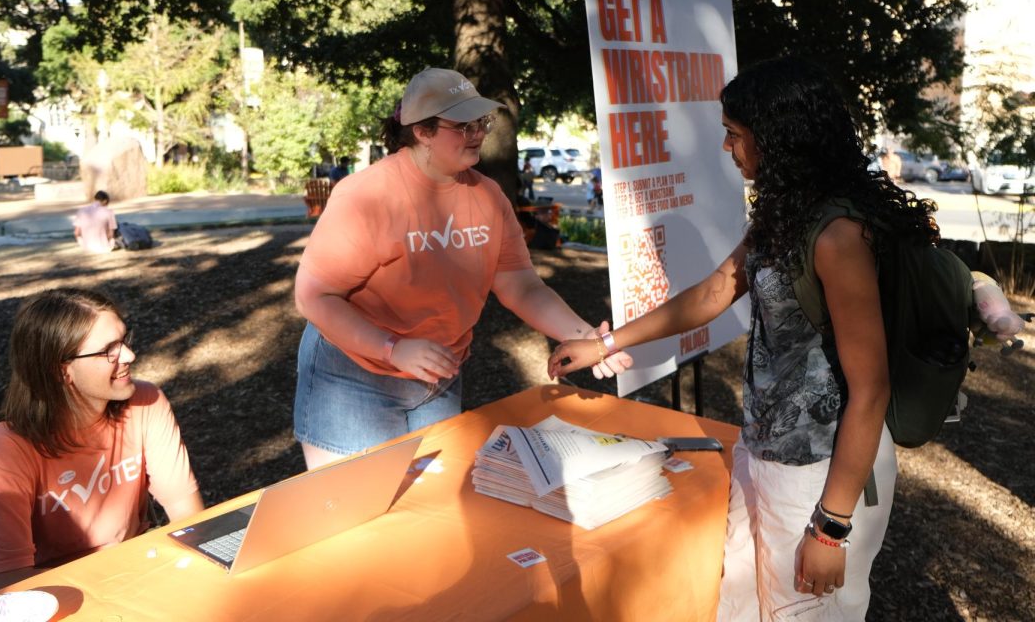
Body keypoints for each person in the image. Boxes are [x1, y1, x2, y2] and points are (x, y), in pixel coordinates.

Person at [549, 57, 928, 620]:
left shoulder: (838, 237)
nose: (727, 148)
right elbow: (711, 294)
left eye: (735, 135)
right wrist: (604, 344)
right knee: (739, 606)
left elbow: (870, 390)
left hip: (821, 476)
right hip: (764, 454)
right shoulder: (786, 214)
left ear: (780, 139)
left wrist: (830, 528)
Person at [293, 67, 605, 469]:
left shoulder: (487, 195)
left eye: (482, 122)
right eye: (464, 125)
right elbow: (313, 295)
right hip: (354, 378)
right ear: (422, 132)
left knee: (432, 508)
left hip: (438, 375)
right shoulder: (367, 195)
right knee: (359, 518)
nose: (478, 133)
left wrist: (586, 336)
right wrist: (393, 349)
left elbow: (522, 287)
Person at [0, 289, 203, 594]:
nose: (129, 356)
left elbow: (188, 514)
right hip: (55, 600)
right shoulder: (9, 444)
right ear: (61, 370)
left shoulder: (146, 402)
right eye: (109, 350)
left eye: (124, 340)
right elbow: (5, 581)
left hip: (141, 581)